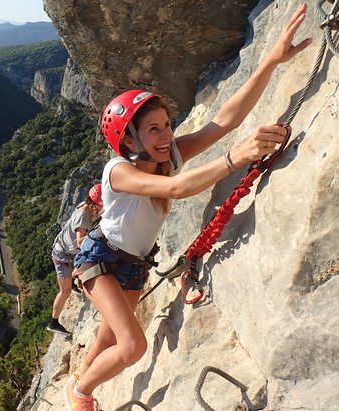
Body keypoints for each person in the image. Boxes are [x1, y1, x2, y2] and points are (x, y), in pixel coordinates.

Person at [63, 5, 311, 410]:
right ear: (129, 142)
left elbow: (224, 121)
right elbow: (176, 189)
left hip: (133, 263)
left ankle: (81, 379)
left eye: (166, 124)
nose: (166, 135)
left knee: (110, 335)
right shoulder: (118, 172)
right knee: (132, 346)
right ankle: (81, 393)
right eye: (153, 129)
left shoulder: (166, 155)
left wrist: (270, 61)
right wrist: (236, 157)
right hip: (101, 259)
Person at [47, 184, 104, 337]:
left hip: (66, 249)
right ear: (95, 204)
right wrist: (97, 235)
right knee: (64, 291)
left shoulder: (85, 204)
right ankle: (53, 322)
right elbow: (80, 242)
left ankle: (72, 282)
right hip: (62, 256)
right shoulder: (84, 216)